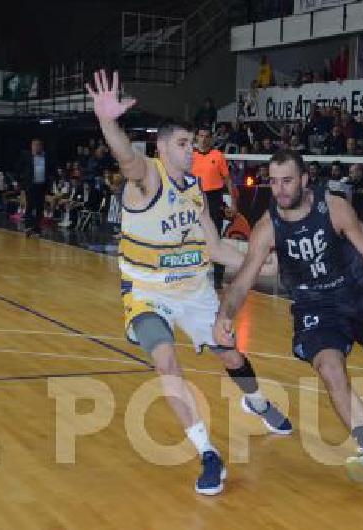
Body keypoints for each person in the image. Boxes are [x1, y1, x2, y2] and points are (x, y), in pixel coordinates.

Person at [85, 70, 290, 496]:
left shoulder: (196, 191)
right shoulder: (147, 179)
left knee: (233, 356)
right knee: (165, 362)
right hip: (148, 296)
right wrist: (108, 122)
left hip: (194, 292)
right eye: (182, 143)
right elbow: (126, 158)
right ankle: (207, 452)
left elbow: (216, 249)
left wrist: (264, 267)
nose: (190, 149)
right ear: (161, 147)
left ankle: (256, 402)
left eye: (191, 144)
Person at [213, 150, 363, 485]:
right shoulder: (267, 228)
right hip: (315, 308)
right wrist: (226, 315)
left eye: (287, 180)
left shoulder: (333, 207)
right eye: (273, 182)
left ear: (304, 179)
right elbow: (244, 280)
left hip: (357, 293)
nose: (279, 189)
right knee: (331, 369)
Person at [192, 125, 236, 288]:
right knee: (194, 240)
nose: (203, 139)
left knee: (215, 240)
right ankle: (195, 277)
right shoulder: (190, 156)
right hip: (195, 199)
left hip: (214, 200)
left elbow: (228, 181)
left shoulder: (218, 156)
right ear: (196, 137)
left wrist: (234, 203)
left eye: (206, 136)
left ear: (211, 138)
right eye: (200, 135)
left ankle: (218, 279)